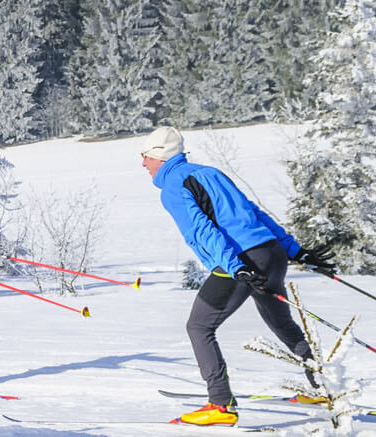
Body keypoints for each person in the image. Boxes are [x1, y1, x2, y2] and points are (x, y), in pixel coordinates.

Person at [140, 127, 338, 426]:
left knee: (199, 326)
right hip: (271, 252)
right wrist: (294, 250)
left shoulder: (173, 186)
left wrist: (235, 267)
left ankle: (220, 405)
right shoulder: (209, 173)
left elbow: (202, 230)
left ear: (158, 157)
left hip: (241, 260)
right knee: (281, 321)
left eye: (145, 157)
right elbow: (253, 213)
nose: (143, 164)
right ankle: (323, 387)